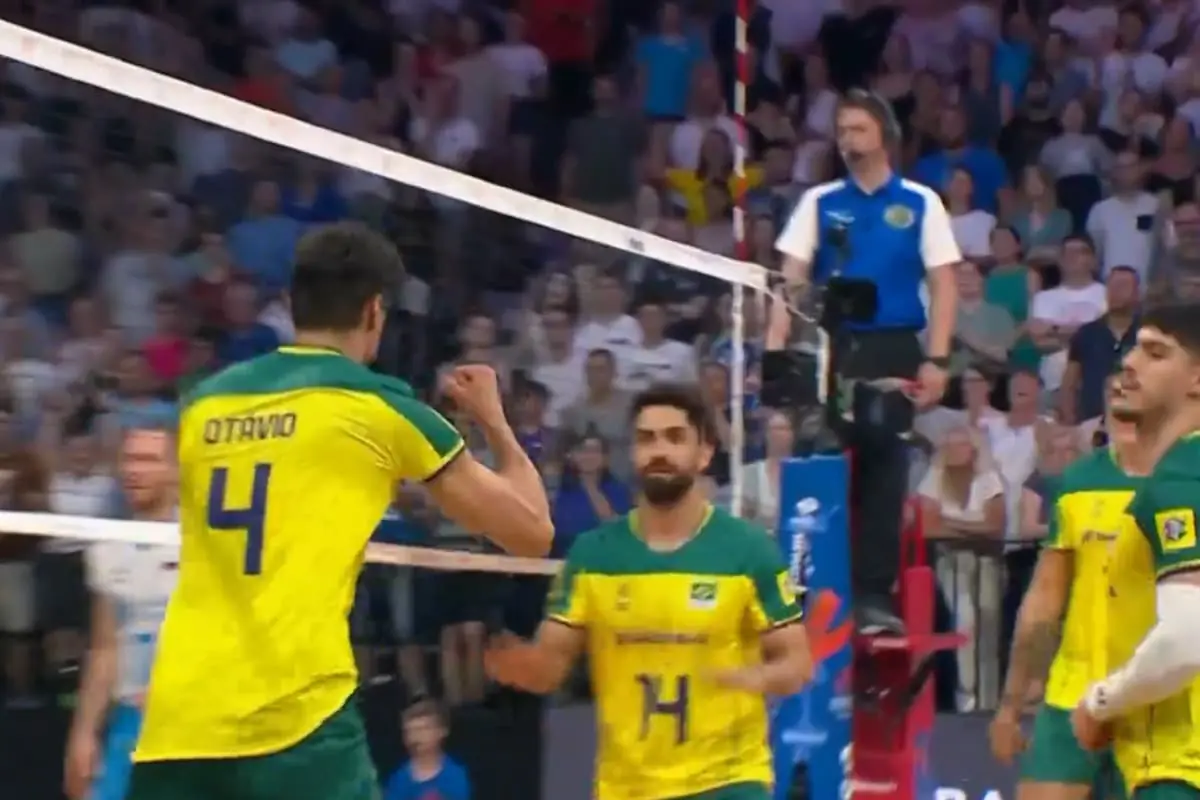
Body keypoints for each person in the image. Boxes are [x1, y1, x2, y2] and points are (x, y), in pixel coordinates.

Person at [125, 221, 553, 800]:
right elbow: (532, 533)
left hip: (178, 720)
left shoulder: (204, 403)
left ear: (290, 303)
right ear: (375, 311)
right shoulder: (377, 407)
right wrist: (494, 421)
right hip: (296, 722)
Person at [484, 383, 812, 800]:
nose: (659, 451)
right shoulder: (593, 554)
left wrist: (750, 677)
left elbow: (797, 662)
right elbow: (551, 666)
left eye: (675, 438)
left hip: (727, 780)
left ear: (704, 453)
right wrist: (520, 666)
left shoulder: (748, 551)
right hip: (627, 786)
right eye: (647, 439)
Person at [772, 88, 961, 635]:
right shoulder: (819, 201)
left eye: (858, 128)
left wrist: (938, 359)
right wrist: (775, 355)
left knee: (884, 466)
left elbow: (944, 285)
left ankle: (875, 596)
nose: (847, 139)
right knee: (817, 459)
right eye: (841, 130)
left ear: (884, 136)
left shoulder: (921, 202)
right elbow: (788, 283)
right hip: (830, 348)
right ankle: (808, 589)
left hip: (893, 347)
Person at [990, 377, 1146, 800]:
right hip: (1074, 691)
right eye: (1114, 393)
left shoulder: (1188, 479)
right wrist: (1011, 705)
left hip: (1163, 700)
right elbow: (1043, 602)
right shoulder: (1079, 482)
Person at [1069, 302, 1200, 800]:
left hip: (1180, 769)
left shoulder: (1183, 477)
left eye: (1155, 353)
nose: (1129, 363)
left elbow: (1189, 637)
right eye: (1133, 349)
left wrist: (1101, 702)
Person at [63, 425, 180, 800]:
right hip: (129, 721)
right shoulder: (106, 547)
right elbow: (104, 648)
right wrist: (83, 735)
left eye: (148, 460)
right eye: (129, 459)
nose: (133, 470)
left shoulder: (205, 542)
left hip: (192, 722)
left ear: (177, 470)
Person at [381, 701, 470, 800]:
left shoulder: (455, 775)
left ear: (441, 731)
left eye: (423, 729)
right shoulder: (397, 779)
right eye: (409, 731)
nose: (416, 736)